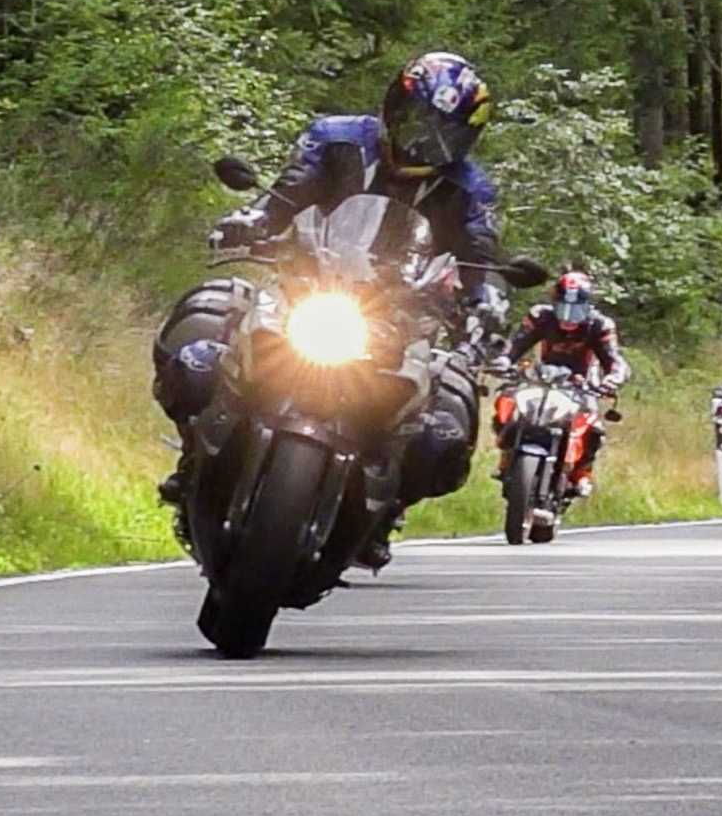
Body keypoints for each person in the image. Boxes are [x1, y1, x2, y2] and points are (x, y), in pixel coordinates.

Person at [150, 51, 507, 569]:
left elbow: (481, 254)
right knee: (204, 340)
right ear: (392, 105)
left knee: (440, 423)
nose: (422, 141)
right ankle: (194, 458)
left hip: (393, 313)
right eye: (415, 122)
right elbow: (288, 193)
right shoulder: (338, 139)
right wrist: (251, 220)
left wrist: (486, 300)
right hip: (312, 284)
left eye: (441, 134)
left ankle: (382, 511)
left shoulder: (468, 189)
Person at [494, 270, 630, 497]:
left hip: (581, 383)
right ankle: (507, 457)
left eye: (576, 309)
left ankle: (581, 473)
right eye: (563, 308)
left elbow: (615, 361)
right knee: (506, 403)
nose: (568, 317)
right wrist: (503, 361)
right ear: (554, 303)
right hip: (540, 378)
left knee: (593, 427)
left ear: (588, 306)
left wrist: (612, 379)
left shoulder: (600, 325)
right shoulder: (540, 316)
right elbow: (515, 345)